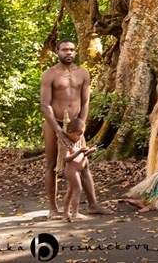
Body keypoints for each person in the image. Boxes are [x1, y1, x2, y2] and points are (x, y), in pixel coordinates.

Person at [40, 40, 110, 218]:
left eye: (71, 49)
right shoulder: (50, 74)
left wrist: (81, 125)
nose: (68, 53)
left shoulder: (83, 73)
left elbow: (86, 101)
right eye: (64, 50)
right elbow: (45, 104)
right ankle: (52, 209)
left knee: (83, 164)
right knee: (51, 165)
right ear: (57, 51)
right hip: (53, 123)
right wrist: (57, 130)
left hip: (75, 125)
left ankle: (93, 204)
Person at [59, 118, 97, 221]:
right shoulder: (67, 144)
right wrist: (79, 152)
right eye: (78, 134)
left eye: (81, 134)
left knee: (71, 191)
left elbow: (82, 155)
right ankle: (75, 213)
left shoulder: (78, 143)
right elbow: (66, 159)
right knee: (78, 189)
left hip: (77, 170)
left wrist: (89, 152)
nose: (80, 137)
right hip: (71, 171)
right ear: (70, 132)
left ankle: (66, 213)